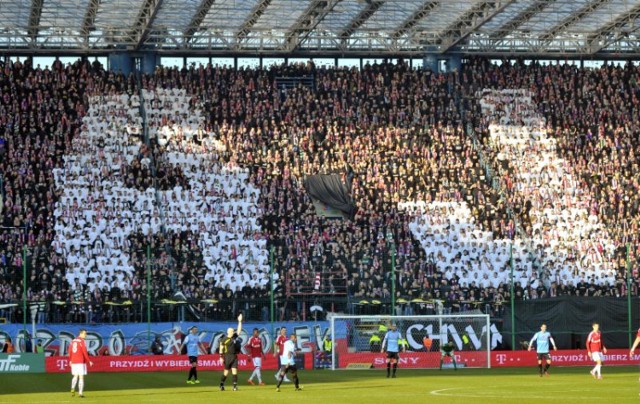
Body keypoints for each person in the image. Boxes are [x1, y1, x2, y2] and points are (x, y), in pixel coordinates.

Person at [219, 313, 243, 391]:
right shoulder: (224, 339)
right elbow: (221, 348)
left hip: (234, 356)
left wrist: (240, 321)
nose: (233, 332)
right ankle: (221, 384)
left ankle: (234, 387)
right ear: (229, 332)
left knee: (234, 371)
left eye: (233, 331)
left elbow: (239, 330)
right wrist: (221, 357)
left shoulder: (234, 337)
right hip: (227, 356)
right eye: (232, 331)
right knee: (226, 372)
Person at [69, 329, 93, 398]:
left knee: (75, 376)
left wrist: (70, 360)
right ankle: (80, 393)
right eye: (85, 334)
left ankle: (72, 388)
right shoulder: (82, 341)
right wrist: (89, 361)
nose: (86, 335)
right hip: (80, 361)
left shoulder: (73, 341)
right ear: (81, 334)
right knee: (81, 377)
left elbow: (70, 351)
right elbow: (84, 352)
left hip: (74, 361)